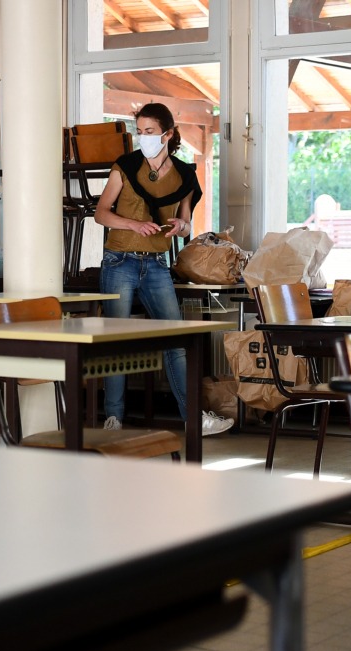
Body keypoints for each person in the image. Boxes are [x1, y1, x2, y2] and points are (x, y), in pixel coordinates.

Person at [93, 102, 234, 436]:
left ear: (168, 134)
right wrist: (131, 224)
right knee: (116, 342)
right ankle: (113, 419)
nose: (143, 138)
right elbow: (100, 213)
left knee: (175, 340)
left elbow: (187, 223)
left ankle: (193, 419)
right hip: (120, 261)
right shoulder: (125, 166)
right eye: (139, 132)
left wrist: (179, 228)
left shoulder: (185, 174)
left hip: (157, 265)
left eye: (150, 132)